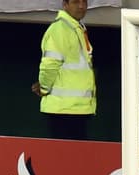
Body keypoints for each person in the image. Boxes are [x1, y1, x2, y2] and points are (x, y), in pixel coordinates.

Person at [32, 0, 95, 141]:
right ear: (65, 5)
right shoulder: (60, 29)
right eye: (75, 2)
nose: (81, 6)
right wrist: (43, 88)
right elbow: (49, 64)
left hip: (76, 109)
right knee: (63, 158)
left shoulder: (75, 28)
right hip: (63, 110)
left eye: (84, 2)